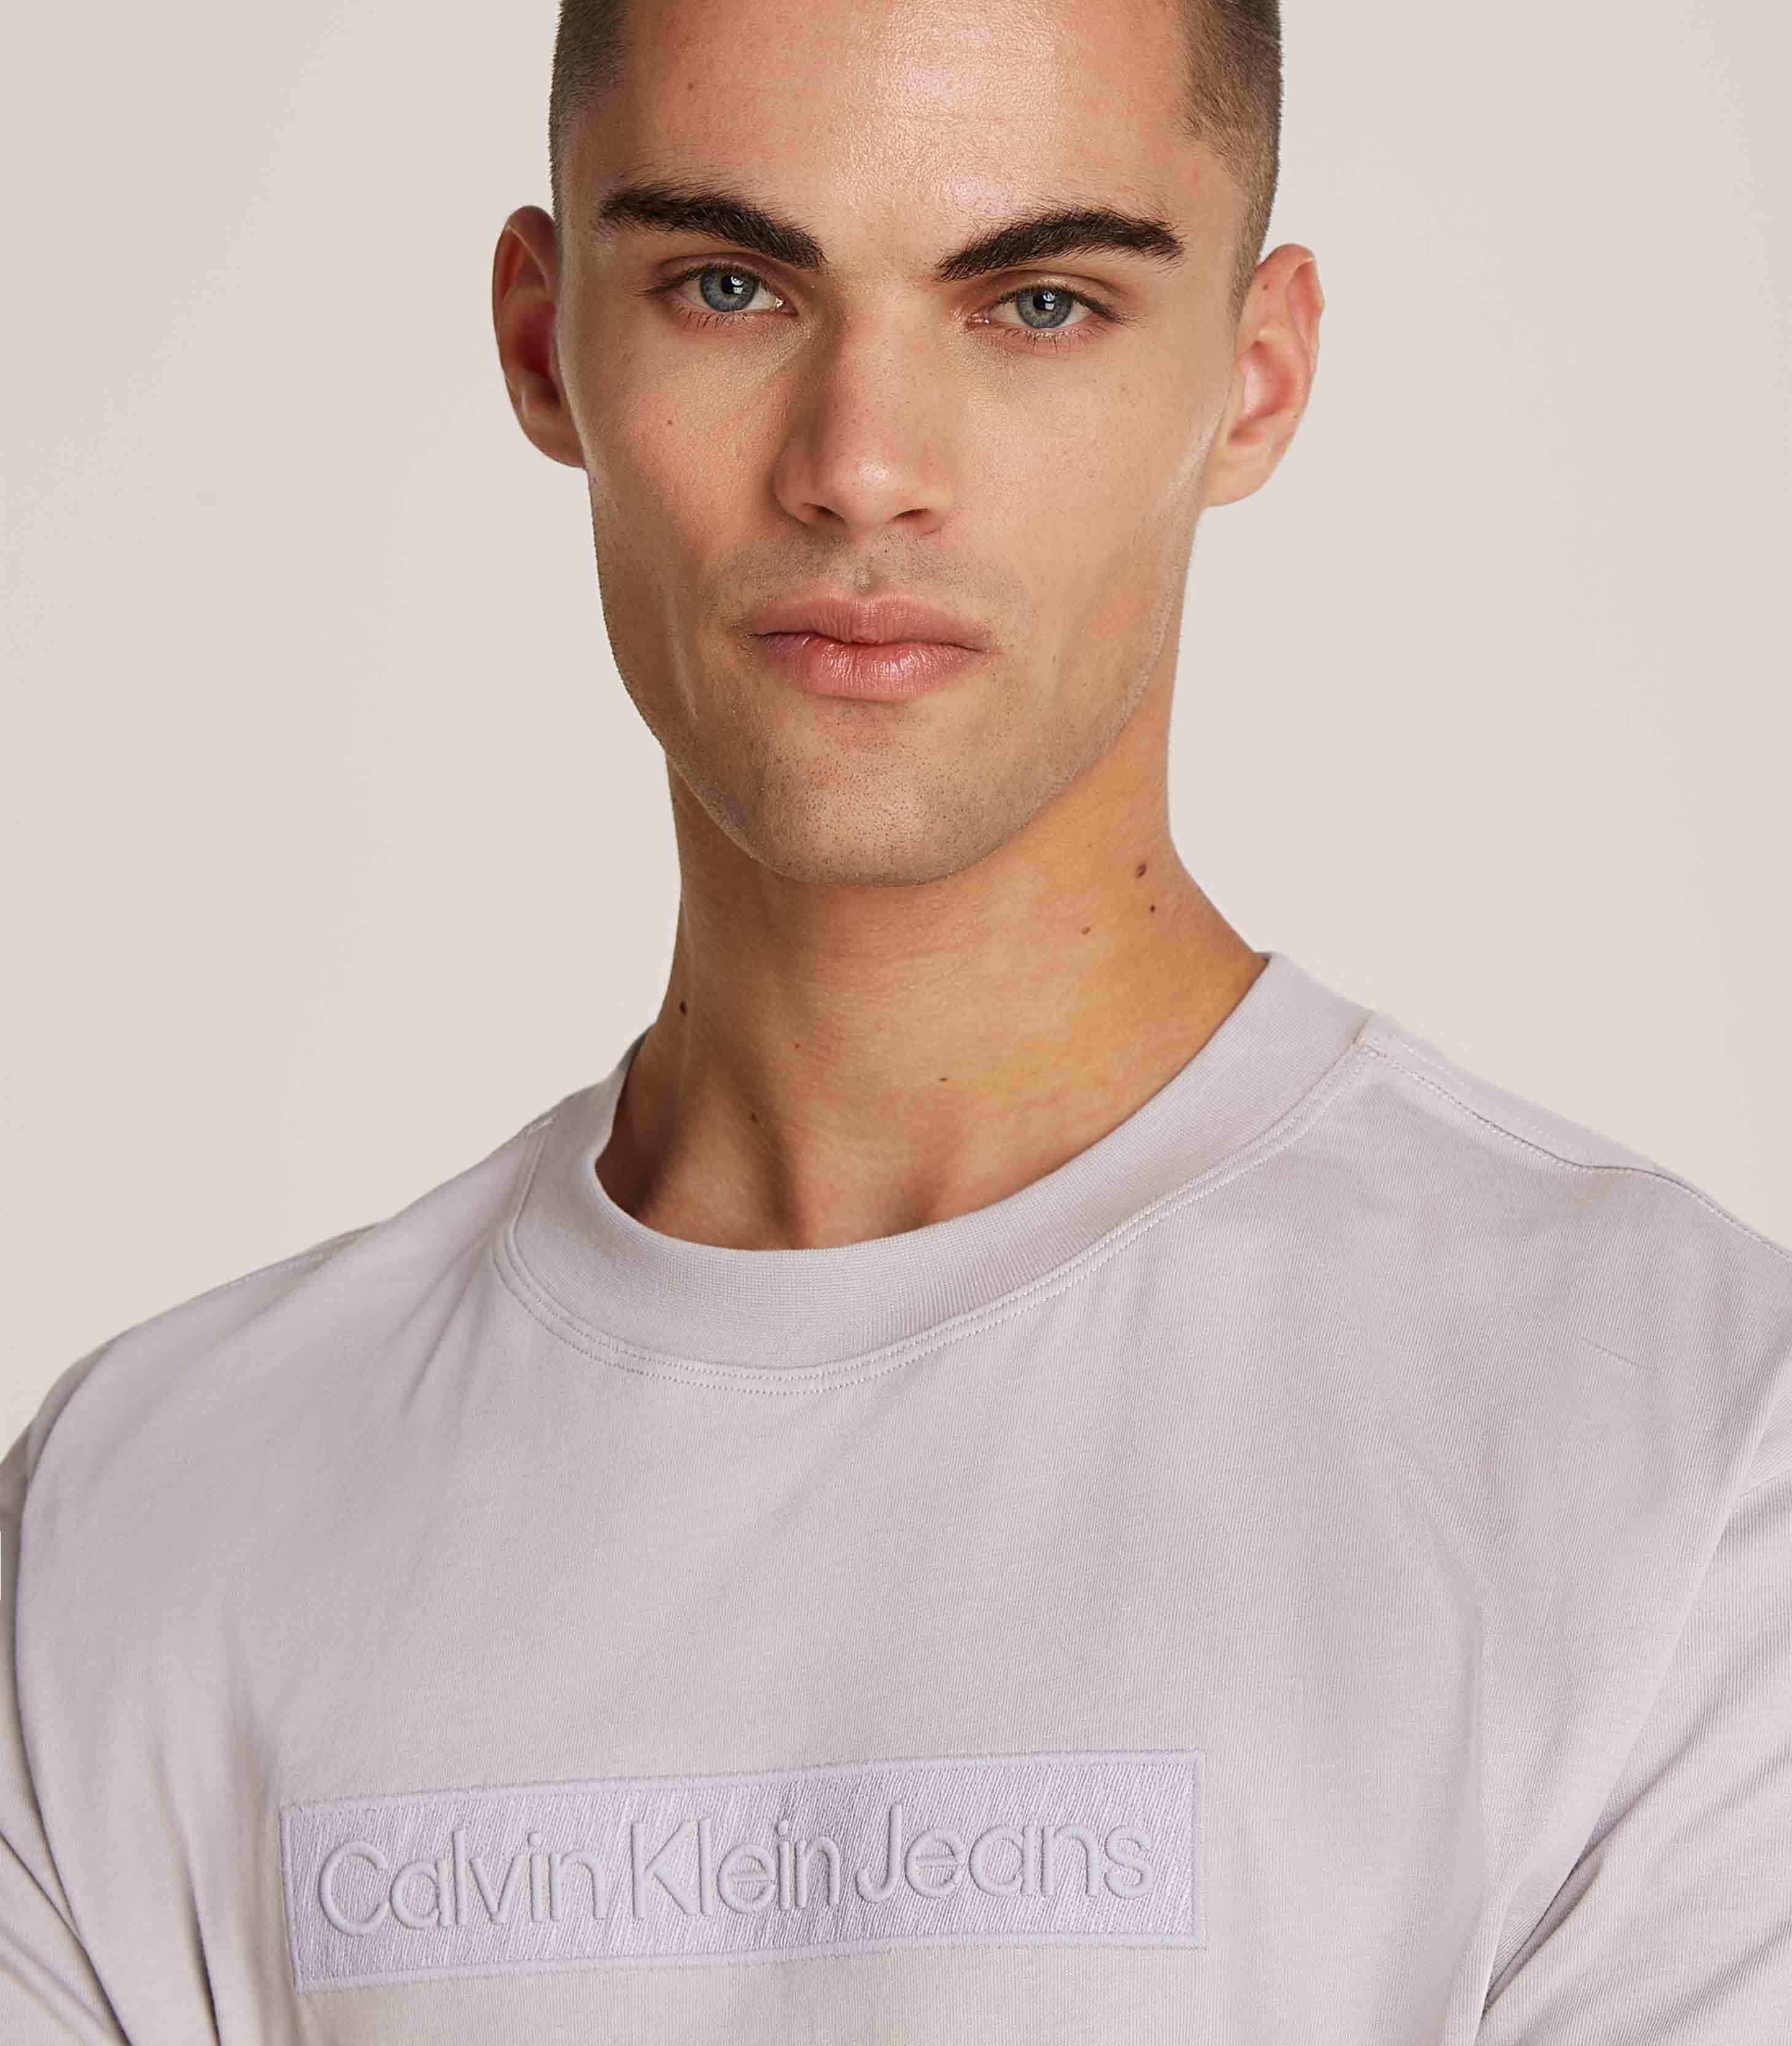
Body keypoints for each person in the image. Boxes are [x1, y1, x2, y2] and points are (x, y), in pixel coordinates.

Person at [4, 0, 1788, 2037]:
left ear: (1256, 378)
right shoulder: (132, 1531)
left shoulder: (1687, 1470)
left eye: (1037, 303)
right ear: (542, 340)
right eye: (730, 284)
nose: (861, 466)